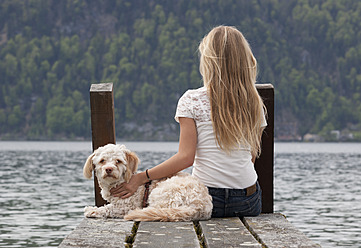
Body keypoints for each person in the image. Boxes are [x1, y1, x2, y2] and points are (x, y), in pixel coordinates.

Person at [111, 25, 267, 217]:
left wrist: (141, 178)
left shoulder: (192, 99)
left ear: (208, 61)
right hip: (248, 201)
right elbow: (250, 159)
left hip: (207, 199)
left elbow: (185, 158)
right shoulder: (254, 103)